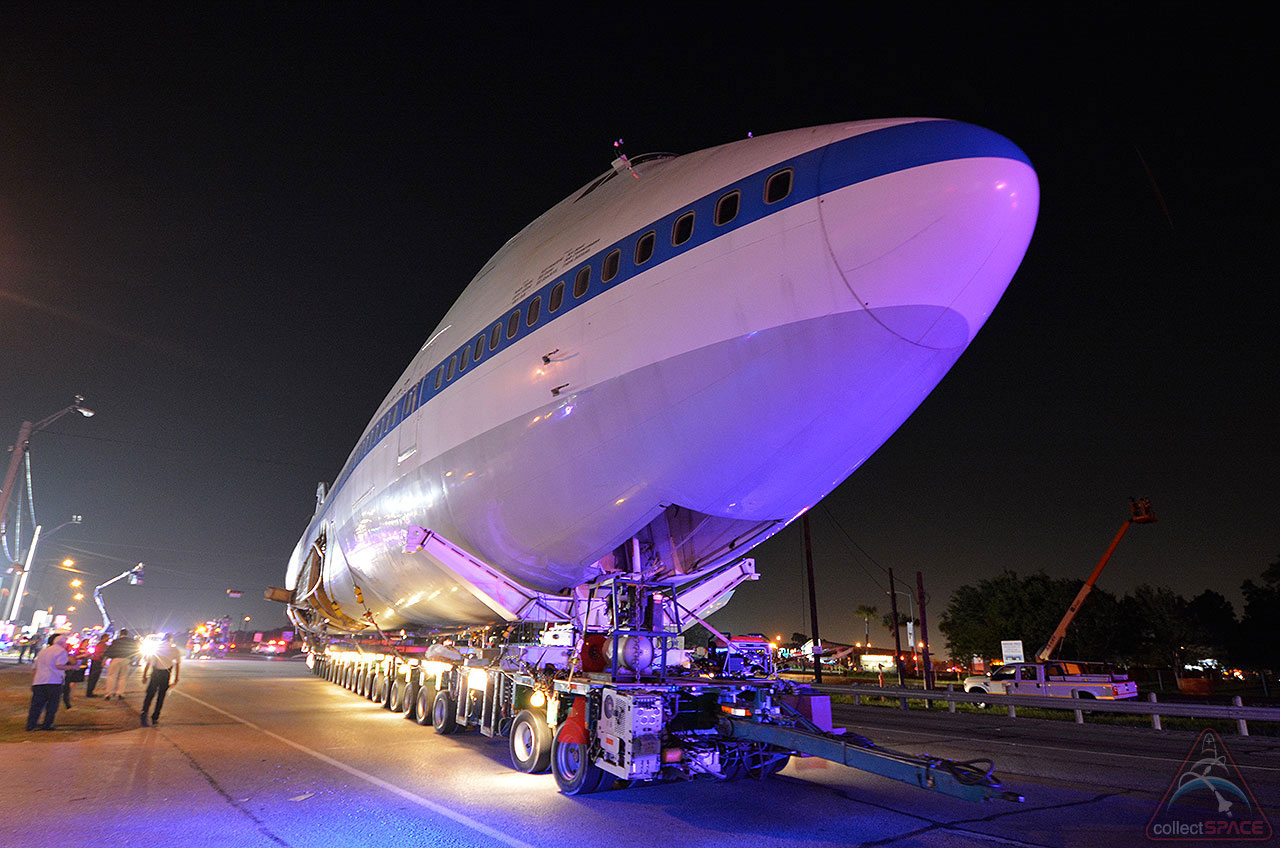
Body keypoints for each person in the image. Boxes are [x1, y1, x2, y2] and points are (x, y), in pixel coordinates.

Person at [27, 634, 76, 731]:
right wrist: (72, 667)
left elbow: (35, 668)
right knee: (52, 705)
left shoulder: (43, 651)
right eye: (66, 643)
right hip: (53, 681)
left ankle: (31, 725)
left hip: (39, 681)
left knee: (36, 705)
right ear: (62, 643)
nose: (67, 645)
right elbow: (59, 666)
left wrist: (33, 682)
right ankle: (47, 725)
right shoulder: (61, 651)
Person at [140, 633, 181, 726]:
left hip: (155, 673)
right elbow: (177, 664)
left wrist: (144, 675)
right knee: (161, 696)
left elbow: (148, 662)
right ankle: (155, 717)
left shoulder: (156, 647)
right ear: (171, 639)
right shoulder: (174, 649)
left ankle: (144, 713)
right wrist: (176, 678)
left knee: (150, 695)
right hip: (166, 674)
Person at [102, 629, 139, 700]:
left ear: (120, 634)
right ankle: (120, 693)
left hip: (116, 659)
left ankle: (108, 694)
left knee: (112, 676)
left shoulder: (116, 641)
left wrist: (105, 660)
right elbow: (136, 651)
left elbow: (109, 651)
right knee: (123, 677)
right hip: (126, 660)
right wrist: (133, 660)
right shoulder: (131, 642)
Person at [84, 632, 110, 697]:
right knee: (93, 678)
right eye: (107, 638)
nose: (108, 639)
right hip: (97, 662)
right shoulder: (101, 645)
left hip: (96, 661)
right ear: (104, 638)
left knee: (93, 678)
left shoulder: (100, 644)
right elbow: (99, 654)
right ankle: (89, 693)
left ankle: (90, 692)